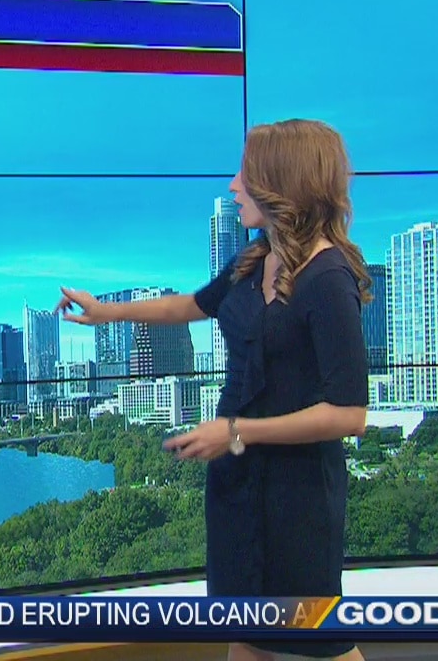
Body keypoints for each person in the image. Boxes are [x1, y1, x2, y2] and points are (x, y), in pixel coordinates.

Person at [56, 119, 372, 661]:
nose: (233, 185)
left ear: (281, 181)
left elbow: (349, 415)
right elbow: (193, 305)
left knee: (323, 643)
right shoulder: (254, 260)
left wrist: (235, 432)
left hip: (297, 498)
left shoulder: (328, 278)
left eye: (245, 175)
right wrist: (107, 312)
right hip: (237, 486)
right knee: (244, 632)